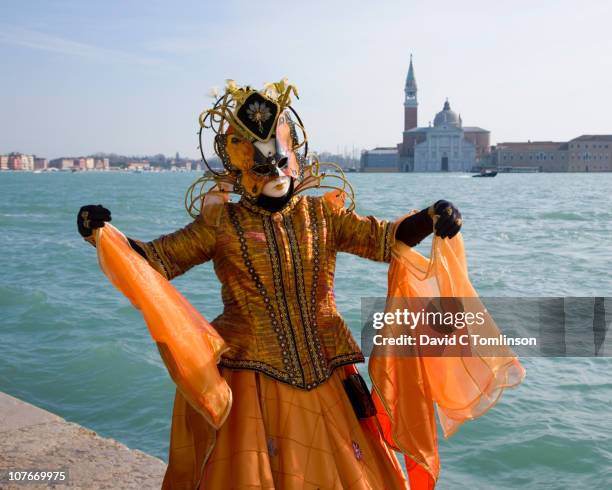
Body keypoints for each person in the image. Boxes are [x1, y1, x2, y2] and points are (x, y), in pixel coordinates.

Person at [77, 80, 462, 489]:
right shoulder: (222, 223)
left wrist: (430, 218)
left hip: (326, 369)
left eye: (281, 162)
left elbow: (382, 239)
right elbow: (158, 261)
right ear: (241, 169)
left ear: (293, 155)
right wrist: (103, 236)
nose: (276, 173)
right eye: (263, 166)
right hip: (249, 380)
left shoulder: (322, 216)